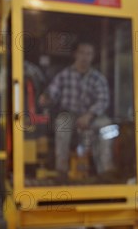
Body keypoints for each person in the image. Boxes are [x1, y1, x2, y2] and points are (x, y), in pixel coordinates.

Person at [39, 41, 115, 182]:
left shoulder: (98, 78)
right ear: (75, 54)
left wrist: (89, 115)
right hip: (70, 114)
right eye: (82, 53)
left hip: (92, 116)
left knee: (107, 127)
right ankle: (61, 170)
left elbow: (103, 100)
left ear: (92, 57)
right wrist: (46, 97)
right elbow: (52, 92)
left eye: (89, 54)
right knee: (62, 122)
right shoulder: (64, 75)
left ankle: (105, 171)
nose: (85, 57)